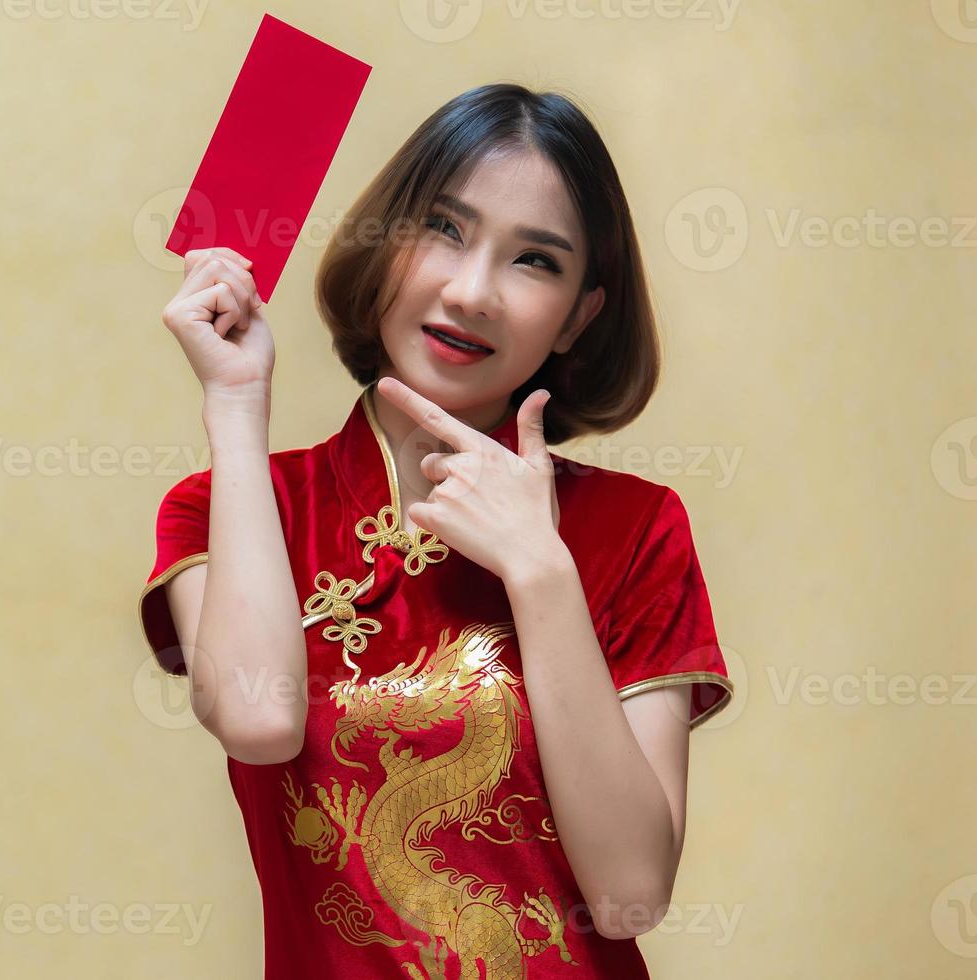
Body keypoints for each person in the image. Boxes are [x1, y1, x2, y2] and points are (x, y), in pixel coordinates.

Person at [138, 83, 735, 979]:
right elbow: (258, 720)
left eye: (535, 261)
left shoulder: (633, 529)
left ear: (579, 316)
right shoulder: (234, 509)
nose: (472, 291)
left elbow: (629, 895)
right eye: (444, 230)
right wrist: (234, 400)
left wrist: (540, 570)